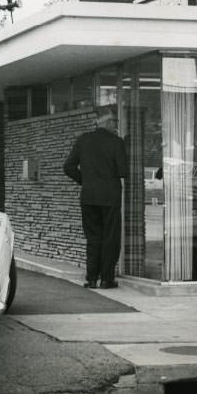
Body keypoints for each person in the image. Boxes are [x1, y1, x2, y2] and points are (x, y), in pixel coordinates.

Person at [63, 107, 128, 289]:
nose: (116, 125)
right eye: (115, 122)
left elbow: (68, 167)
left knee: (93, 238)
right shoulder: (117, 142)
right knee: (110, 238)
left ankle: (91, 278)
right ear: (107, 123)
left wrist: (86, 181)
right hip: (110, 196)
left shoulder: (83, 140)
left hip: (89, 196)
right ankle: (107, 278)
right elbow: (123, 171)